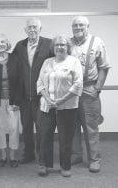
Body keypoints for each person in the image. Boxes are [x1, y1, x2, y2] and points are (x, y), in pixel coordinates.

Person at [37, 35, 83, 177]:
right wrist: (48, 99)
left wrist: (61, 100)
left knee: (65, 138)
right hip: (47, 106)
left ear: (67, 47)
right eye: (57, 45)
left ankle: (65, 166)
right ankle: (44, 165)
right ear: (53, 47)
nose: (59, 47)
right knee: (44, 136)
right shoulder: (47, 62)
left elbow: (78, 84)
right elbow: (39, 83)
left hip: (67, 107)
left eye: (62, 45)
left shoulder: (74, 62)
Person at [70, 16, 111, 173]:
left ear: (88, 26)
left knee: (90, 127)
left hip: (89, 89)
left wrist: (97, 88)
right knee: (72, 126)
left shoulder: (97, 42)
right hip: (71, 92)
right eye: (75, 25)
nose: (78, 27)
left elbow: (104, 66)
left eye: (81, 25)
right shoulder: (68, 43)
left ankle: (94, 159)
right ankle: (76, 155)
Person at [12, 18, 53, 164]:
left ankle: (43, 156)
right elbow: (11, 64)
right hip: (24, 97)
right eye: (29, 27)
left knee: (43, 129)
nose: (32, 30)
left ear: (40, 29)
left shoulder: (49, 44)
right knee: (27, 128)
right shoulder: (20, 45)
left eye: (35, 27)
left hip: (41, 97)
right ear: (25, 30)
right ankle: (28, 153)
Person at [0, 34, 23, 168]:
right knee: (0, 128)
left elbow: (21, 81)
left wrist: (18, 101)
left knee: (14, 128)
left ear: (7, 44)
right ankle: (3, 156)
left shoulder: (15, 59)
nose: (0, 44)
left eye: (2, 42)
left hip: (13, 99)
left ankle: (13, 156)